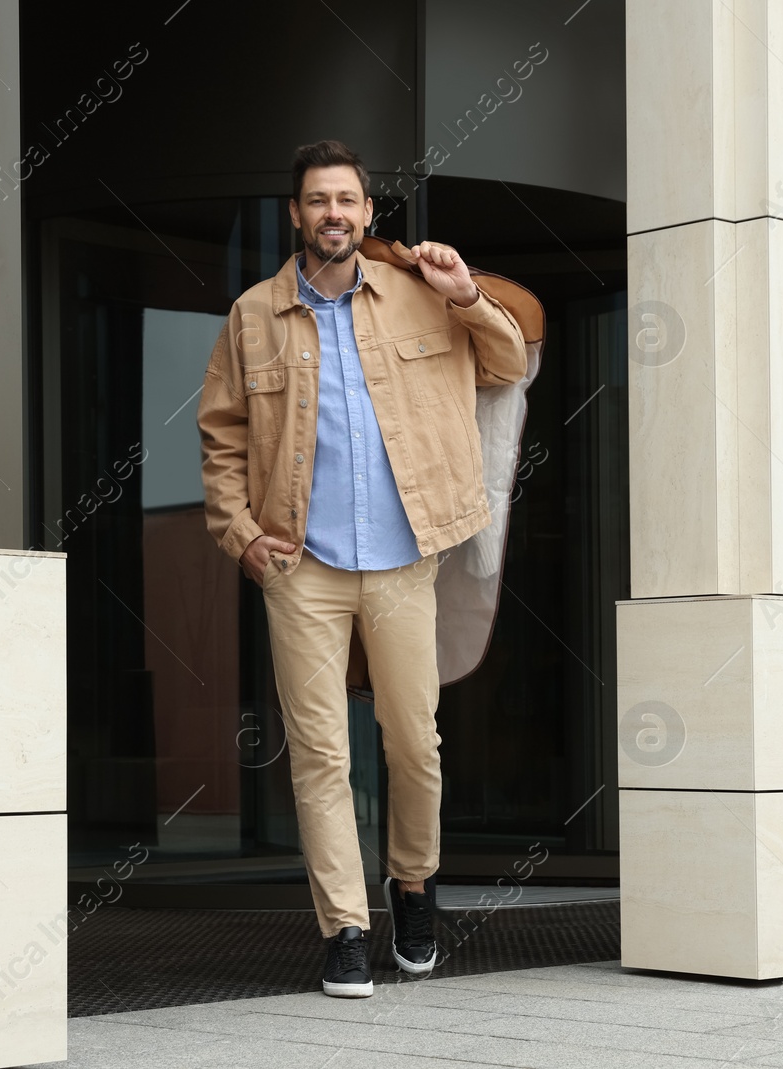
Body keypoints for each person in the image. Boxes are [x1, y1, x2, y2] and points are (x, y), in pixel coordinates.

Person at [197, 140, 528, 997]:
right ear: (297, 214)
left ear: (368, 213)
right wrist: (242, 534)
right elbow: (222, 439)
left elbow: (507, 364)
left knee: (415, 744)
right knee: (319, 754)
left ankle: (412, 884)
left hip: (403, 561)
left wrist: (470, 295)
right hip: (301, 566)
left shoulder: (425, 292)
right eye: (317, 200)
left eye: (346, 199)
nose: (332, 213)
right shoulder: (253, 316)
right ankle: (344, 925)